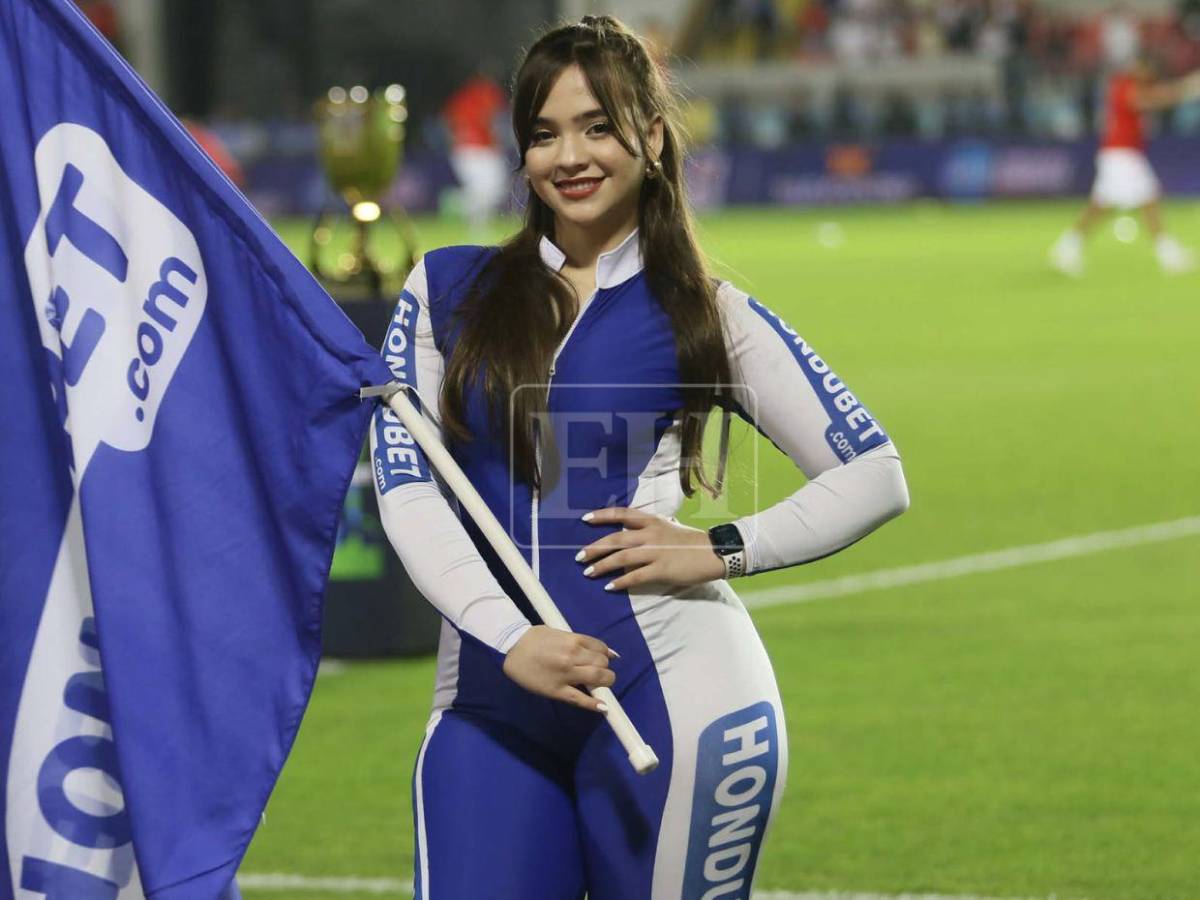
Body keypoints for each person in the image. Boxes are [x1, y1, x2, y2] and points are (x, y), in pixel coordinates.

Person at [370, 16, 909, 899]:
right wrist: (512, 638)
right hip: (489, 704)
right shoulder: (443, 289)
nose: (569, 156)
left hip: (681, 705)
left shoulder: (707, 312)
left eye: (598, 126)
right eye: (543, 134)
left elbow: (875, 473)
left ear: (651, 138)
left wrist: (720, 546)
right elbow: (408, 492)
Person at [1050, 56, 1200, 276]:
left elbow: (1152, 96)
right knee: (1144, 200)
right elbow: (1146, 100)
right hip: (1121, 155)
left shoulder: (1131, 85)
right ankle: (1168, 254)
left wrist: (1186, 87)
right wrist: (1187, 88)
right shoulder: (1123, 85)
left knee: (1106, 204)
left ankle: (1067, 246)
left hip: (1123, 154)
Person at [442, 63, 511, 241]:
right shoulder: (488, 92)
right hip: (480, 149)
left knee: (485, 191)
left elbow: (448, 123)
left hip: (462, 151)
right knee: (491, 189)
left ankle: (477, 227)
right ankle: (455, 203)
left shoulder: (462, 96)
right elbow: (492, 121)